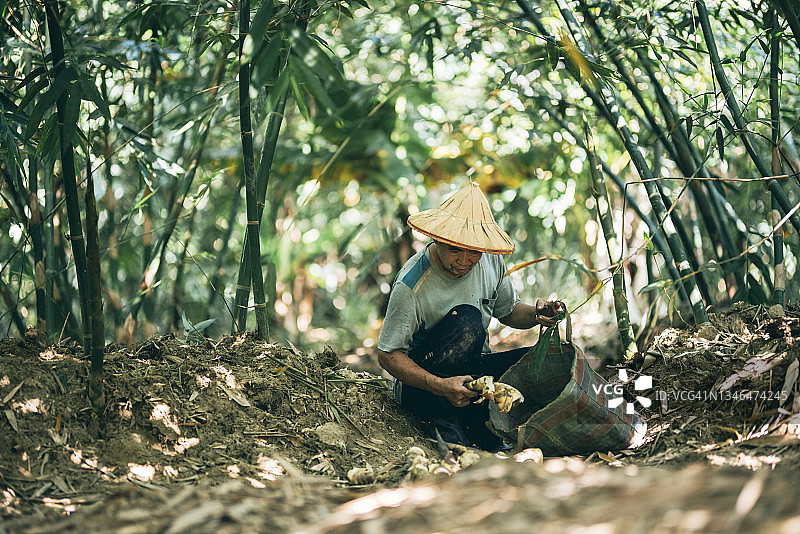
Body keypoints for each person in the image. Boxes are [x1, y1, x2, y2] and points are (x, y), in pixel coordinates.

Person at [377, 181, 564, 450]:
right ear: (438, 239)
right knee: (468, 321)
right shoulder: (411, 285)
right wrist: (440, 386)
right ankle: (446, 424)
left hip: (474, 375)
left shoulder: (490, 261)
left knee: (544, 361)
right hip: (425, 388)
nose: (464, 261)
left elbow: (510, 312)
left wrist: (537, 314)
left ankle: (480, 424)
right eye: (455, 249)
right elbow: (388, 354)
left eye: (473, 251)